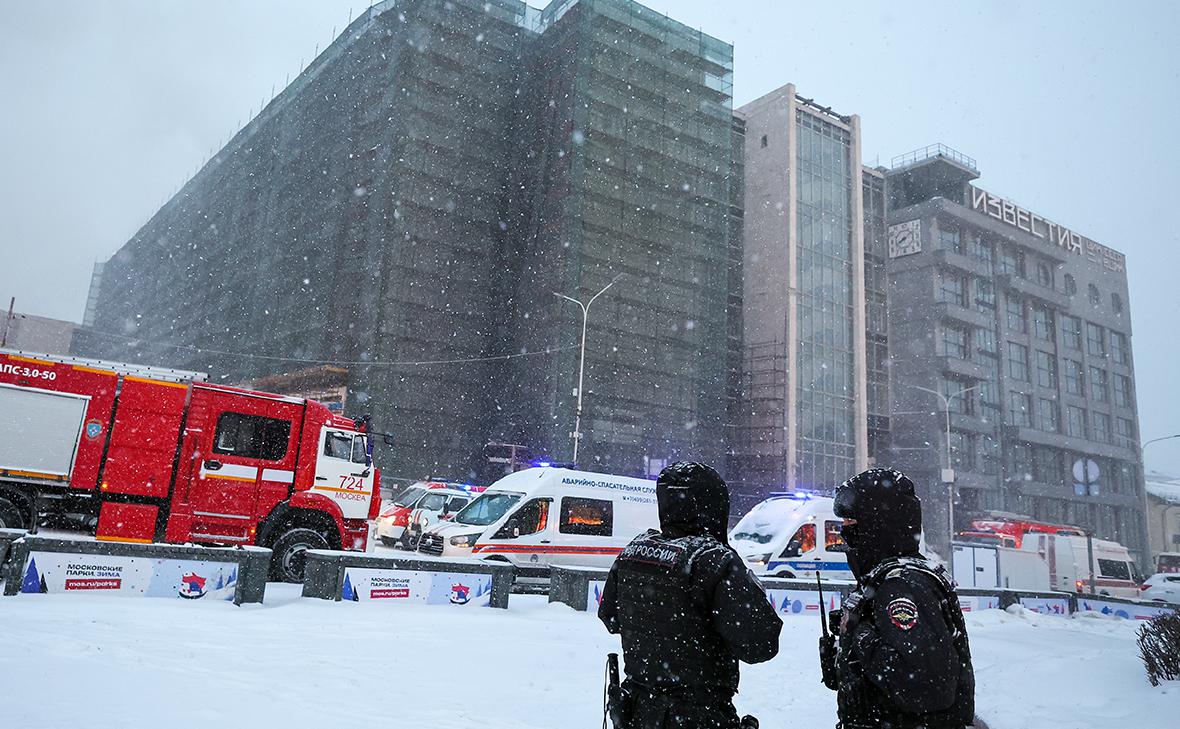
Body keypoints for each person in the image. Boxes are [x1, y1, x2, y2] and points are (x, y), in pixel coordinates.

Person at [599, 461, 783, 729]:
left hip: (638, 712)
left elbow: (610, 618)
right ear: (714, 506)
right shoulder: (714, 561)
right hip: (696, 715)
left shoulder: (633, 551)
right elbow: (761, 643)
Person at [819, 468, 976, 729]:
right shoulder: (885, 579)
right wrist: (842, 655)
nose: (844, 531)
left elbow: (927, 687)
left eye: (851, 522)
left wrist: (861, 634)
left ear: (878, 522)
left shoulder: (903, 586)